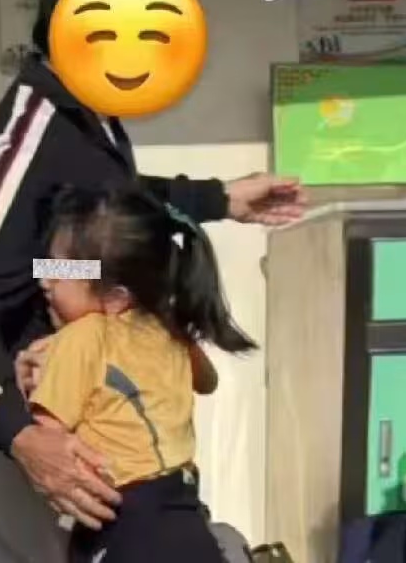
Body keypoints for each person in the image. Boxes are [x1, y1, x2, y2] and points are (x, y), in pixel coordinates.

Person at [0, 0, 304, 563]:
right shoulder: (31, 132)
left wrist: (220, 200)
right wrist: (23, 437)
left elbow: (80, 220)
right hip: (29, 460)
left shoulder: (90, 116)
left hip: (96, 445)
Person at [21, 183, 256, 563]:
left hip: (124, 522)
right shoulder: (166, 329)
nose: (44, 281)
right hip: (185, 514)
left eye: (60, 272)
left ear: (116, 297)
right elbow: (207, 381)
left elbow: (50, 440)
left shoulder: (81, 338)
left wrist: (32, 390)